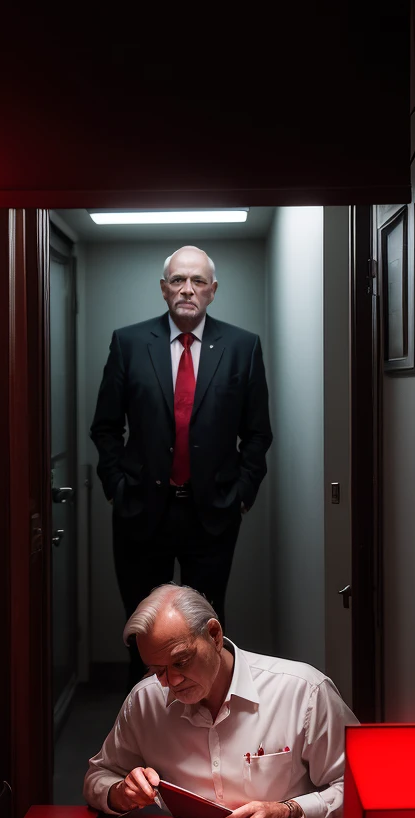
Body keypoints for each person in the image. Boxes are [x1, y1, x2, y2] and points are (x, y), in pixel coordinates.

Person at [83, 584, 359, 818]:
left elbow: (361, 791)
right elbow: (98, 775)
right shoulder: (146, 701)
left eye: (180, 662)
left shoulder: (302, 692)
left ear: (213, 635)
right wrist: (119, 793)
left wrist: (288, 812)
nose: (172, 682)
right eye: (157, 669)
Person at [90, 246, 272, 684]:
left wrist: (241, 494)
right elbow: (106, 427)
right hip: (140, 512)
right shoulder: (129, 343)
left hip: (212, 513)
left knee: (205, 629)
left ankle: (204, 725)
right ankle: (147, 725)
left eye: (197, 281)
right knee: (143, 627)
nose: (187, 289)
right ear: (163, 289)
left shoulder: (242, 347)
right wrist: (116, 485)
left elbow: (257, 434)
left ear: (212, 290)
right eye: (177, 280)